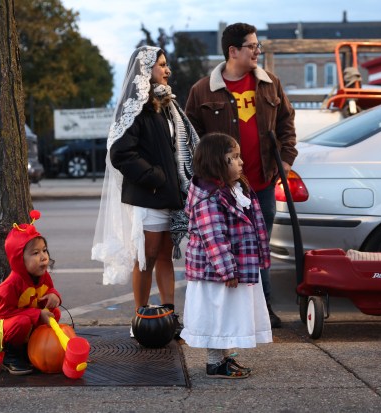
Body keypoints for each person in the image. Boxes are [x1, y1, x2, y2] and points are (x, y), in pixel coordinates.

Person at [184, 22, 297, 328]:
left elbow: (287, 123)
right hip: (221, 191)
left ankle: (263, 309)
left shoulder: (270, 84)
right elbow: (189, 139)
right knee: (227, 250)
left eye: (258, 46)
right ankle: (230, 316)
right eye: (252, 46)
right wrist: (206, 176)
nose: (257, 51)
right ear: (233, 51)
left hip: (260, 184)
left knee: (258, 249)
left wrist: (285, 160)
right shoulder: (202, 90)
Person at [91, 46, 199, 336]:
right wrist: (155, 176)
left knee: (165, 257)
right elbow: (120, 153)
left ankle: (168, 319)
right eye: (161, 65)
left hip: (170, 197)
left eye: (167, 64)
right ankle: (140, 320)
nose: (167, 70)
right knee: (146, 258)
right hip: (149, 196)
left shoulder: (167, 106)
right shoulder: (135, 108)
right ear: (145, 70)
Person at [181, 132, 272, 378]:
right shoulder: (208, 196)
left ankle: (223, 359)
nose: (241, 162)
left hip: (231, 267)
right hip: (215, 272)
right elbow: (214, 237)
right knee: (217, 315)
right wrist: (227, 270)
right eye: (234, 157)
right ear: (216, 162)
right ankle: (214, 362)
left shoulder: (234, 188)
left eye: (239, 156)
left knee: (229, 314)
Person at [0, 210, 61, 375]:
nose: (43, 257)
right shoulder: (10, 286)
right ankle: (12, 357)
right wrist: (37, 315)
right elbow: (4, 314)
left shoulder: (43, 276)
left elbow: (49, 289)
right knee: (22, 321)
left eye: (44, 250)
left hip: (24, 320)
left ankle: (33, 349)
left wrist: (54, 296)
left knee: (54, 313)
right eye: (35, 253)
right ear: (19, 260)